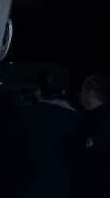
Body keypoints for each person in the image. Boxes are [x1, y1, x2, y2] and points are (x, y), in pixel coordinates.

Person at [14, 66, 82, 198]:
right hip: (60, 188)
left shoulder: (25, 116)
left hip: (25, 186)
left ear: (39, 91)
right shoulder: (79, 122)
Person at [77, 73, 110, 196]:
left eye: (82, 90)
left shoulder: (87, 121)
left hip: (94, 187)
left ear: (90, 92)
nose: (80, 94)